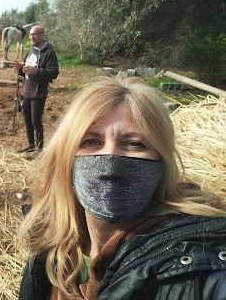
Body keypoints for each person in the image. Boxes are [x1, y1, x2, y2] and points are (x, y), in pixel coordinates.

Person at [18, 76, 226, 299]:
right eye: (91, 142)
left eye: (134, 143)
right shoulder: (50, 247)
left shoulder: (204, 269)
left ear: (161, 163)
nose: (110, 157)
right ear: (65, 157)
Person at [13, 25, 59, 160]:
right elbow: (25, 71)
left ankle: (40, 148)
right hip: (27, 89)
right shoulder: (31, 50)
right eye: (30, 35)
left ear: (42, 35)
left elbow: (54, 72)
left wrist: (36, 71)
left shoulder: (49, 52)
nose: (32, 37)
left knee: (36, 120)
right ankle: (31, 144)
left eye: (35, 34)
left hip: (39, 91)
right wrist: (20, 68)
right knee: (27, 118)